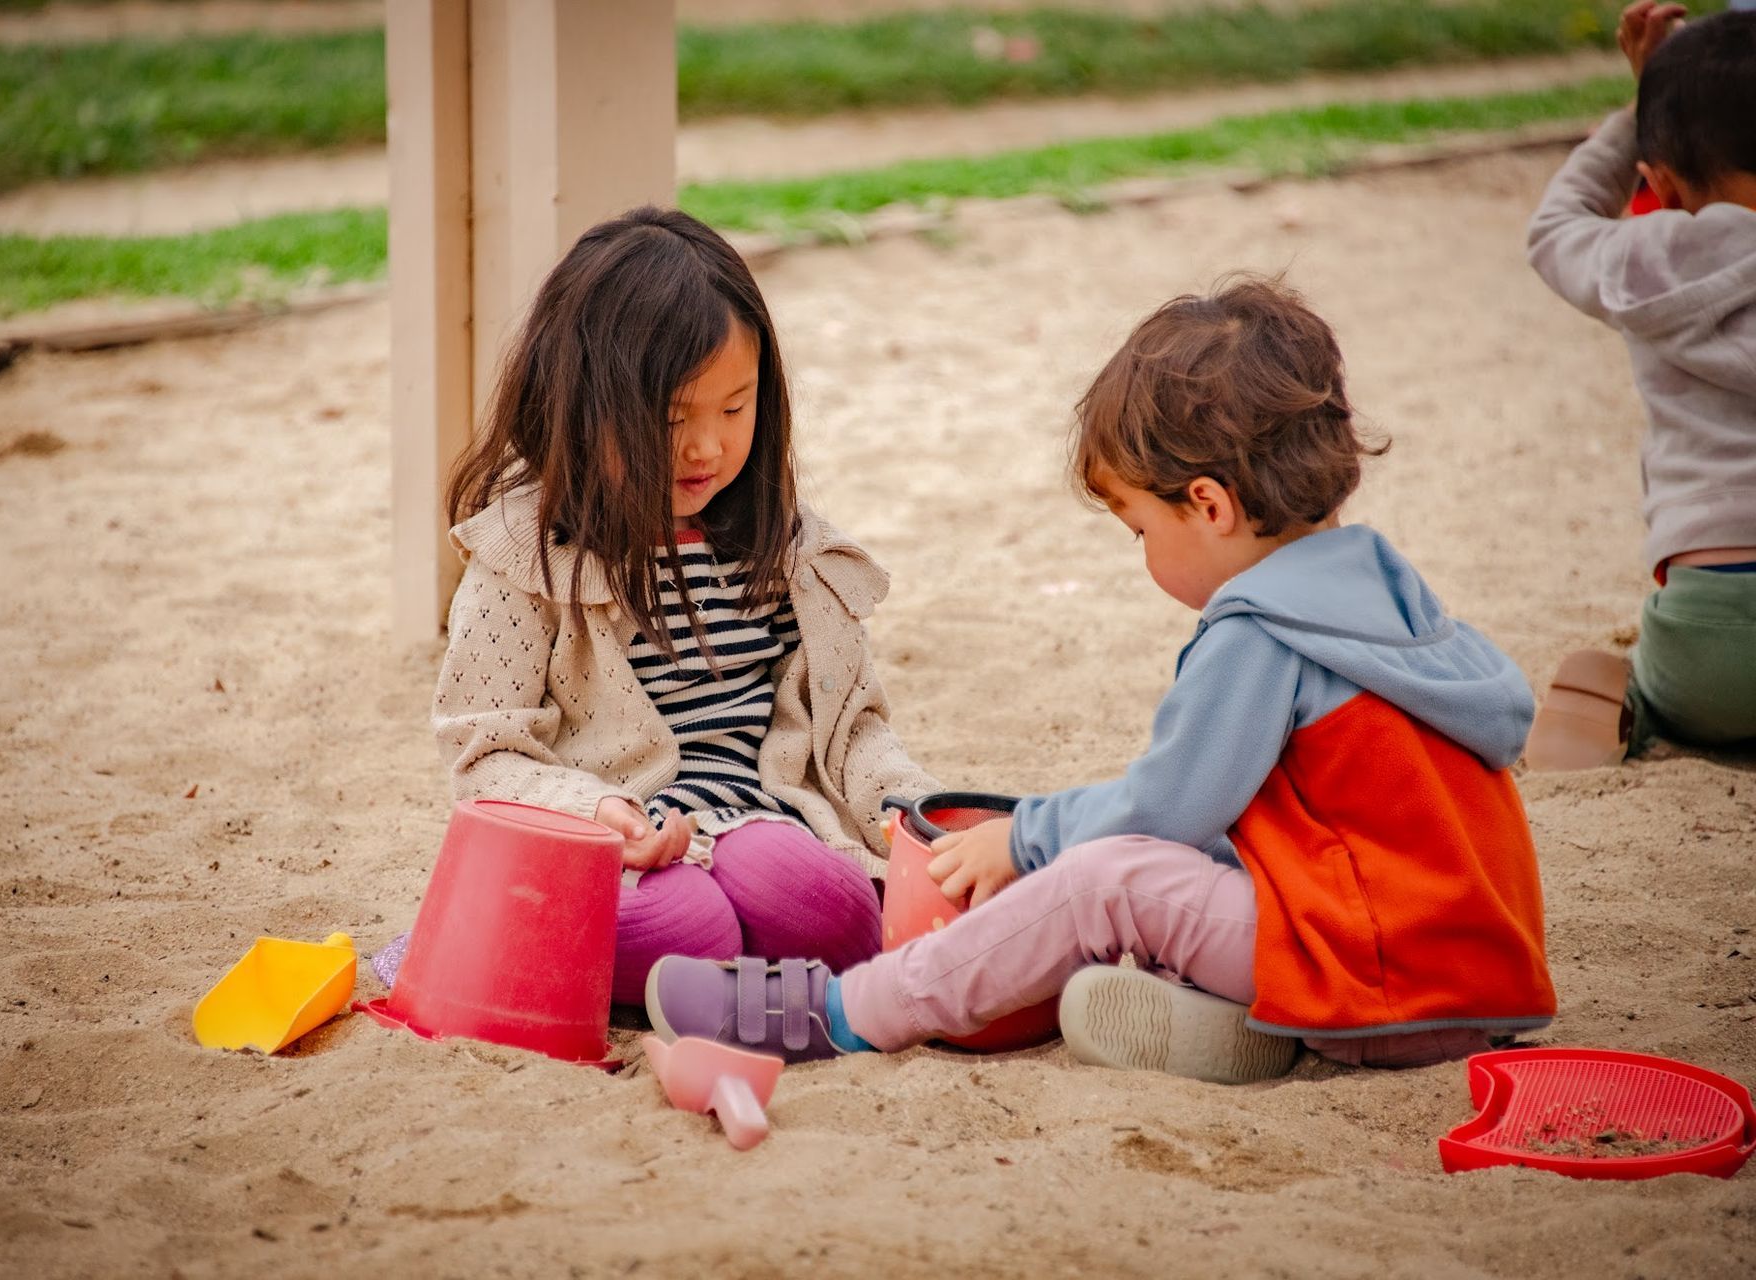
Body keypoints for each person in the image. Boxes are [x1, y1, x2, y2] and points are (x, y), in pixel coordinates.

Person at [645, 278, 1556, 1081]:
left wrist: (1029, 836)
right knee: (1167, 871)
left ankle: (839, 1014)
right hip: (1473, 978)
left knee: (1102, 882)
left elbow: (1164, 813)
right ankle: (1233, 1027)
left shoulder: (1261, 632)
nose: (1143, 554)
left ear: (1208, 504)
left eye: (1139, 529)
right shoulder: (1385, 588)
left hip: (1379, 972)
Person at [372, 206, 939, 1005]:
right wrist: (600, 809)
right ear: (582, 405)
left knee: (827, 907)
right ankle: (729, 978)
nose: (706, 447)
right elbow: (485, 752)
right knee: (687, 931)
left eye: (734, 409)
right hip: (611, 843)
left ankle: (727, 988)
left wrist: (912, 809)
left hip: (758, 820)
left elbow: (853, 732)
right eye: (672, 419)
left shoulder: (793, 551)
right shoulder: (528, 556)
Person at [1523, 1, 1756, 769]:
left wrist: (1639, 108)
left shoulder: (1643, 259)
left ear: (1658, 181)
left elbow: (1555, 227)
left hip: (1705, 640)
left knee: (1666, 688)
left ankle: (1643, 709)